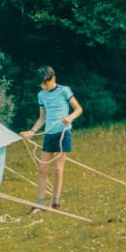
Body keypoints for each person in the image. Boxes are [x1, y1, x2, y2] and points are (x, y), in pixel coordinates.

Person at [19, 66, 83, 215]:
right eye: (41, 85)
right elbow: (42, 118)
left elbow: (78, 109)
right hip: (49, 135)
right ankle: (40, 203)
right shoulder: (41, 95)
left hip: (63, 133)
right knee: (42, 169)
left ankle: (55, 201)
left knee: (58, 169)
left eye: (45, 84)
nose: (44, 87)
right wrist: (32, 132)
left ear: (53, 78)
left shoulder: (64, 90)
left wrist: (70, 117)